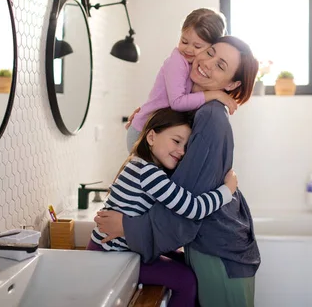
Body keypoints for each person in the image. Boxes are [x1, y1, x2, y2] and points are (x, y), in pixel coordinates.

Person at [96, 35, 261, 307]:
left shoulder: (210, 116)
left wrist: (128, 227)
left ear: (232, 84)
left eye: (220, 66)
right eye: (209, 52)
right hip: (217, 245)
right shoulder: (197, 107)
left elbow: (188, 200)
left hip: (218, 249)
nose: (206, 63)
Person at [87, 107, 238, 307]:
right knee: (186, 280)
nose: (181, 151)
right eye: (176, 141)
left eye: (186, 146)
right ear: (151, 137)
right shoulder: (149, 174)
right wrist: (228, 190)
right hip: (112, 257)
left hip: (116, 251)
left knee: (185, 263)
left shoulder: (139, 164)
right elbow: (194, 209)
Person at [126, 8, 238, 152]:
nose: (189, 49)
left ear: (212, 47)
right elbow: (177, 102)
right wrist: (216, 95)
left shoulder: (195, 67)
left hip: (158, 132)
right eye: (184, 41)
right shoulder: (177, 62)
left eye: (197, 46)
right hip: (142, 132)